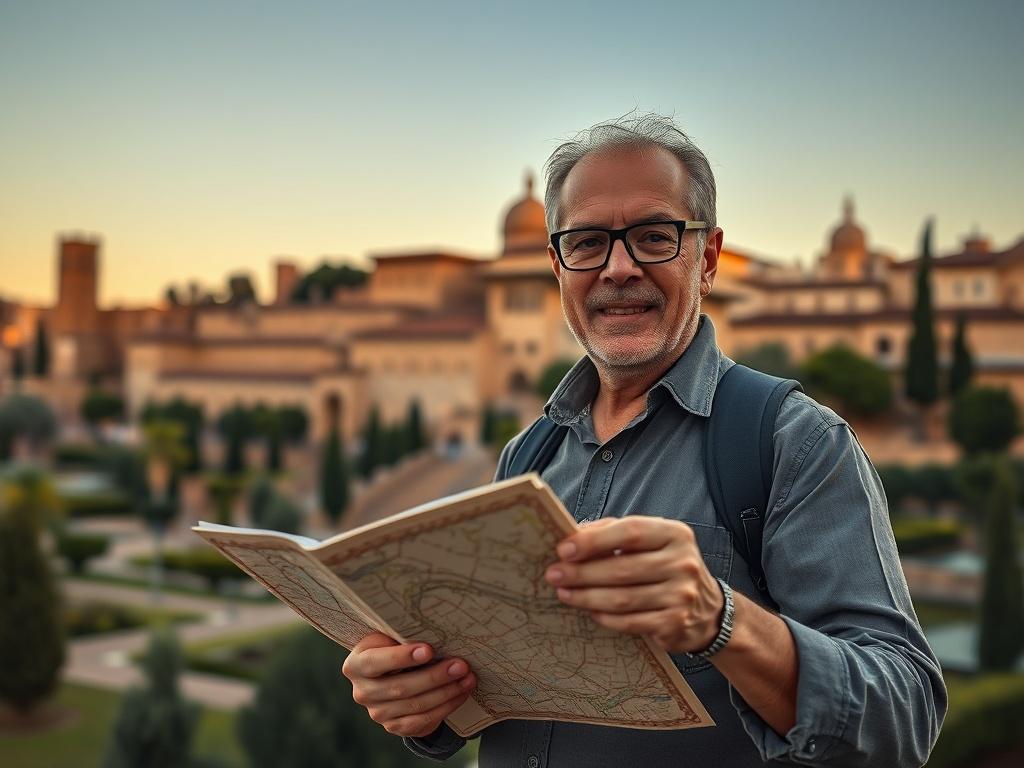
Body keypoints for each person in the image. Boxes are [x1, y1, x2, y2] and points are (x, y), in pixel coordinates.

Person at [341, 114, 947, 767]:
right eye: (587, 242)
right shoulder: (530, 453)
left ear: (707, 259)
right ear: (557, 265)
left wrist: (722, 622)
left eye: (654, 237)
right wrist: (421, 701)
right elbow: (490, 678)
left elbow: (903, 717)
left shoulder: (794, 443)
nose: (619, 268)